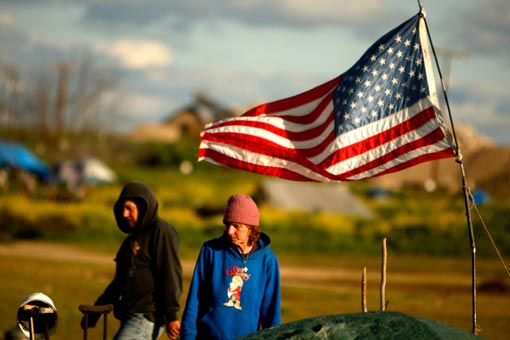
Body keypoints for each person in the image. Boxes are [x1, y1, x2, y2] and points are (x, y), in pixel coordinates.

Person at [81, 181, 182, 340]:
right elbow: (118, 282)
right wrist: (96, 311)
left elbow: (169, 273)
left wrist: (172, 315)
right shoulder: (132, 240)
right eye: (122, 208)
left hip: (146, 316)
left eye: (129, 208)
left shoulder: (161, 231)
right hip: (130, 316)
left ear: (143, 207)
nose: (124, 214)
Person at [180, 194, 281, 340]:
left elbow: (271, 313)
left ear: (251, 228)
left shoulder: (268, 260)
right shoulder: (211, 250)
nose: (229, 231)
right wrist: (187, 337)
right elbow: (194, 299)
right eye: (227, 225)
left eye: (236, 226)